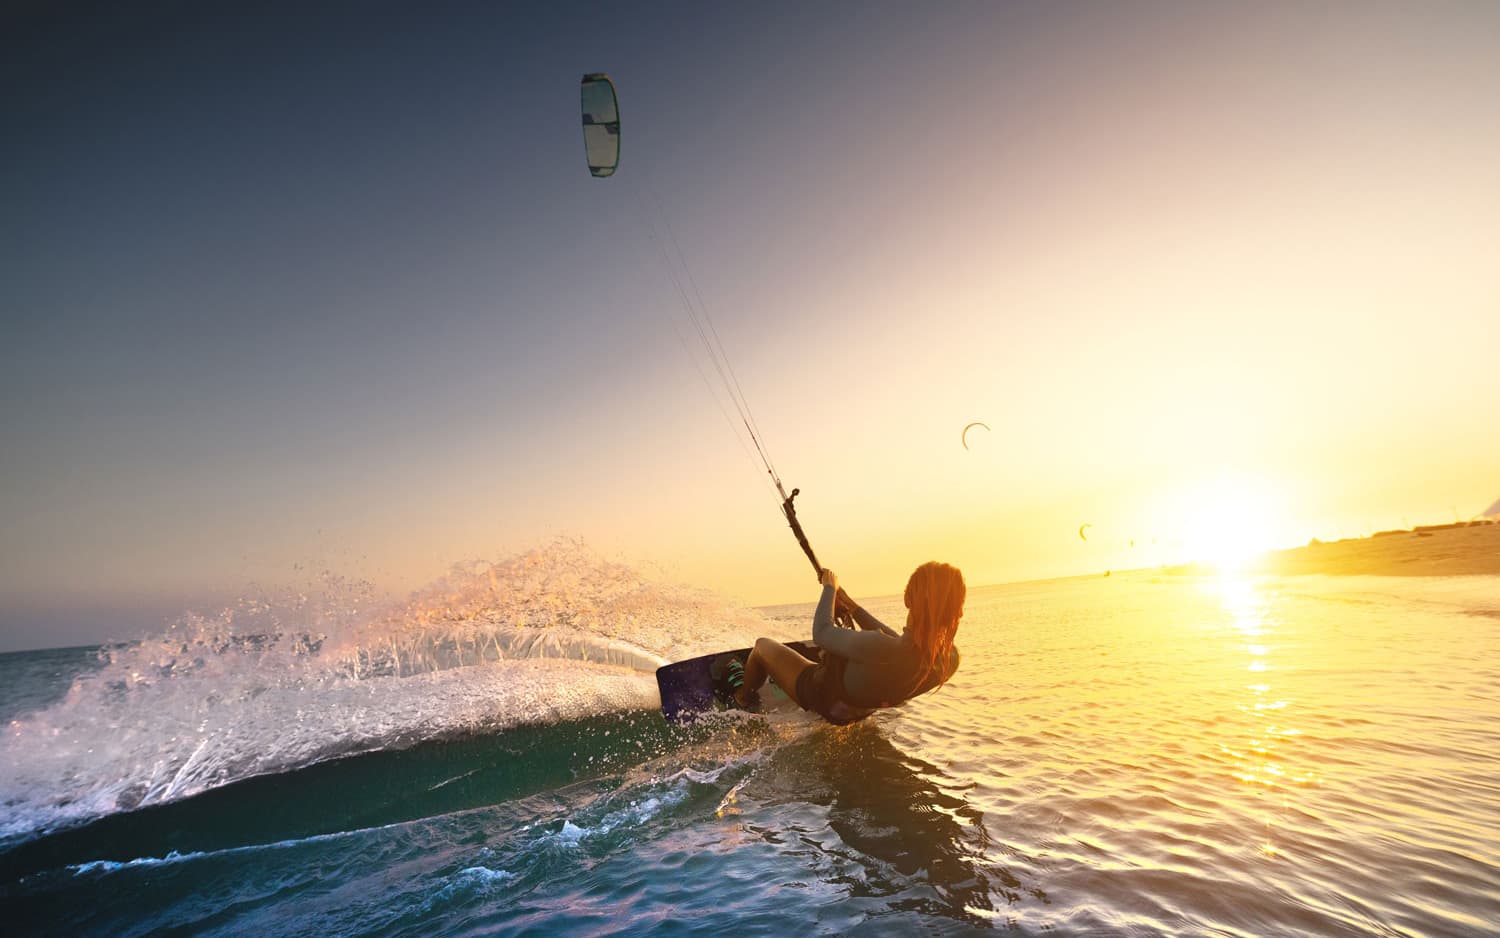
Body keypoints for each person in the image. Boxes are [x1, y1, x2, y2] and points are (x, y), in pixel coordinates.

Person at [732, 562, 965, 725]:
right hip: (859, 709)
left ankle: (742, 697)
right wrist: (852, 607)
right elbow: (904, 644)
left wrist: (829, 588)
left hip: (822, 697)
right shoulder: (947, 660)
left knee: (762, 646)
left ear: (908, 599)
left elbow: (821, 633)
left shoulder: (880, 647)